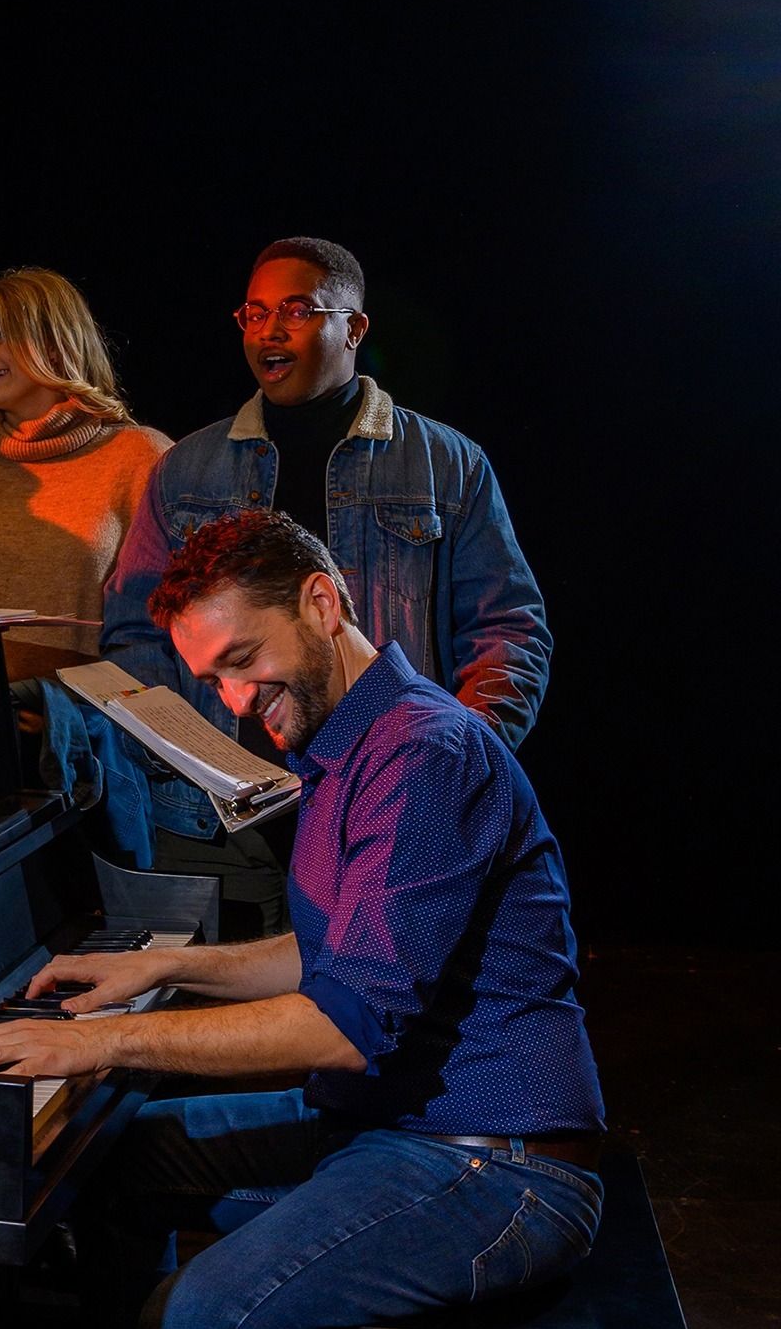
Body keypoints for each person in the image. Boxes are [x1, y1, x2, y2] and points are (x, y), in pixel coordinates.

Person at [0, 507, 603, 1329]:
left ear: (318, 600)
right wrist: (154, 979)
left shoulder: (425, 752)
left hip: (497, 1160)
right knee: (132, 1156)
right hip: (401, 1118)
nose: (235, 702)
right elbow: (332, 952)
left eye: (240, 664)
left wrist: (101, 1038)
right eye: (209, 680)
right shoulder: (358, 744)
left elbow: (344, 1021)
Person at [102, 235, 551, 931]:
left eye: (297, 310)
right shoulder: (186, 470)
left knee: (368, 1019)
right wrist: (193, 760)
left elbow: (510, 632)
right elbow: (134, 633)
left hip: (389, 811)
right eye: (252, 314)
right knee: (226, 1018)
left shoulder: (446, 464)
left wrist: (447, 763)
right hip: (225, 826)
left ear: (355, 327)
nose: (269, 331)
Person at [0, 266, 171, 684]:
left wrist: (68, 705)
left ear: (56, 345)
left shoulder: (140, 459)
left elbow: (173, 620)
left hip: (93, 735)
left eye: (0, 333)